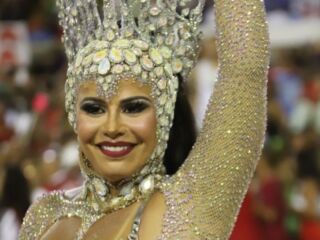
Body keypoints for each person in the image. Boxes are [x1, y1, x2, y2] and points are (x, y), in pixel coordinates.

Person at [19, 0, 269, 239]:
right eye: (94, 109)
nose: (112, 127)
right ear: (73, 115)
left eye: (134, 108)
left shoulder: (186, 207)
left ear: (163, 116)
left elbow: (245, 70)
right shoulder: (46, 213)